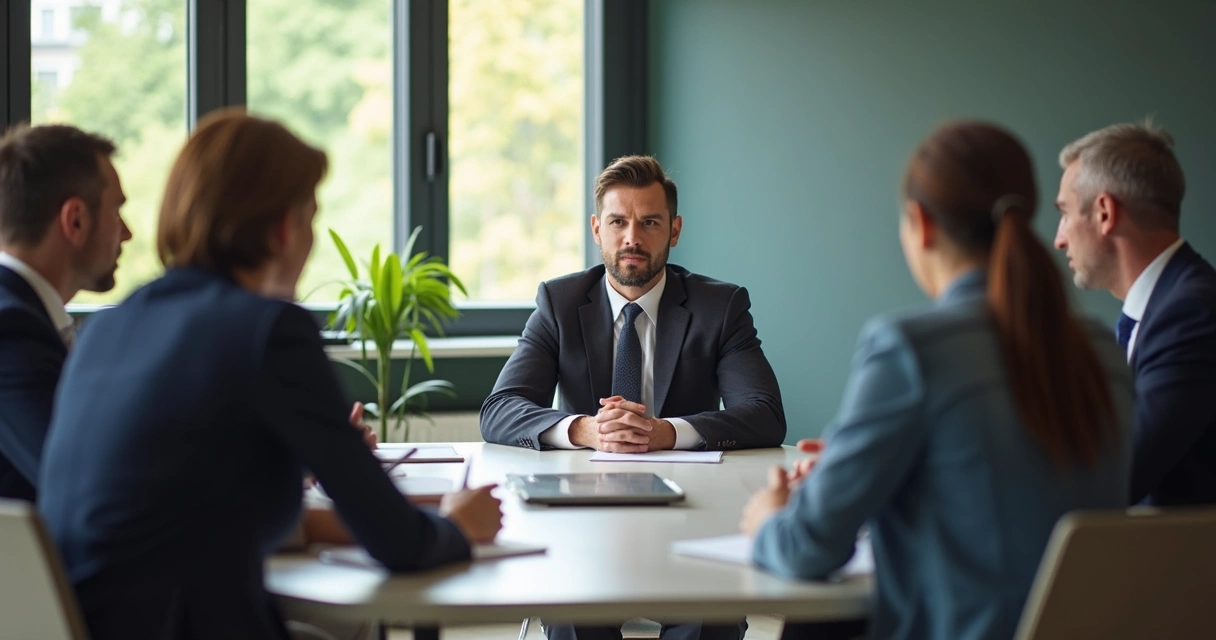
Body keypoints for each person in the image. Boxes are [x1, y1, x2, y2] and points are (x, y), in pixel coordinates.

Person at [37, 110, 503, 640]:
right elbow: (399, 545)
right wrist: (458, 527)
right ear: (284, 227)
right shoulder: (267, 330)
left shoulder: (111, 327)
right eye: (310, 218)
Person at [741, 121, 1133, 640]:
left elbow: (807, 548)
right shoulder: (1101, 347)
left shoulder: (909, 348)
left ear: (920, 223)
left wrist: (769, 519)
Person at [481, 155, 784, 640]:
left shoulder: (719, 307)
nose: (632, 238)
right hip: (582, 521)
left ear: (675, 230)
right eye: (619, 222)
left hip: (692, 518)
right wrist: (585, 429)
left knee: (711, 616)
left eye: (650, 223)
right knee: (573, 611)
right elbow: (500, 409)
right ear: (597, 228)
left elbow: (765, 414)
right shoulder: (559, 303)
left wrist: (665, 432)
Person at [1054, 121, 1216, 506]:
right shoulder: (1164, 310)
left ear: (1105, 213)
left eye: (1065, 213)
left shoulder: (1190, 315)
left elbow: (1116, 478)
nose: (1059, 239)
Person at [0, 123, 131, 501]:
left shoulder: (30, 319)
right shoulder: (12, 330)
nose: (127, 233)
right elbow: (81, 484)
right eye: (117, 211)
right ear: (74, 220)